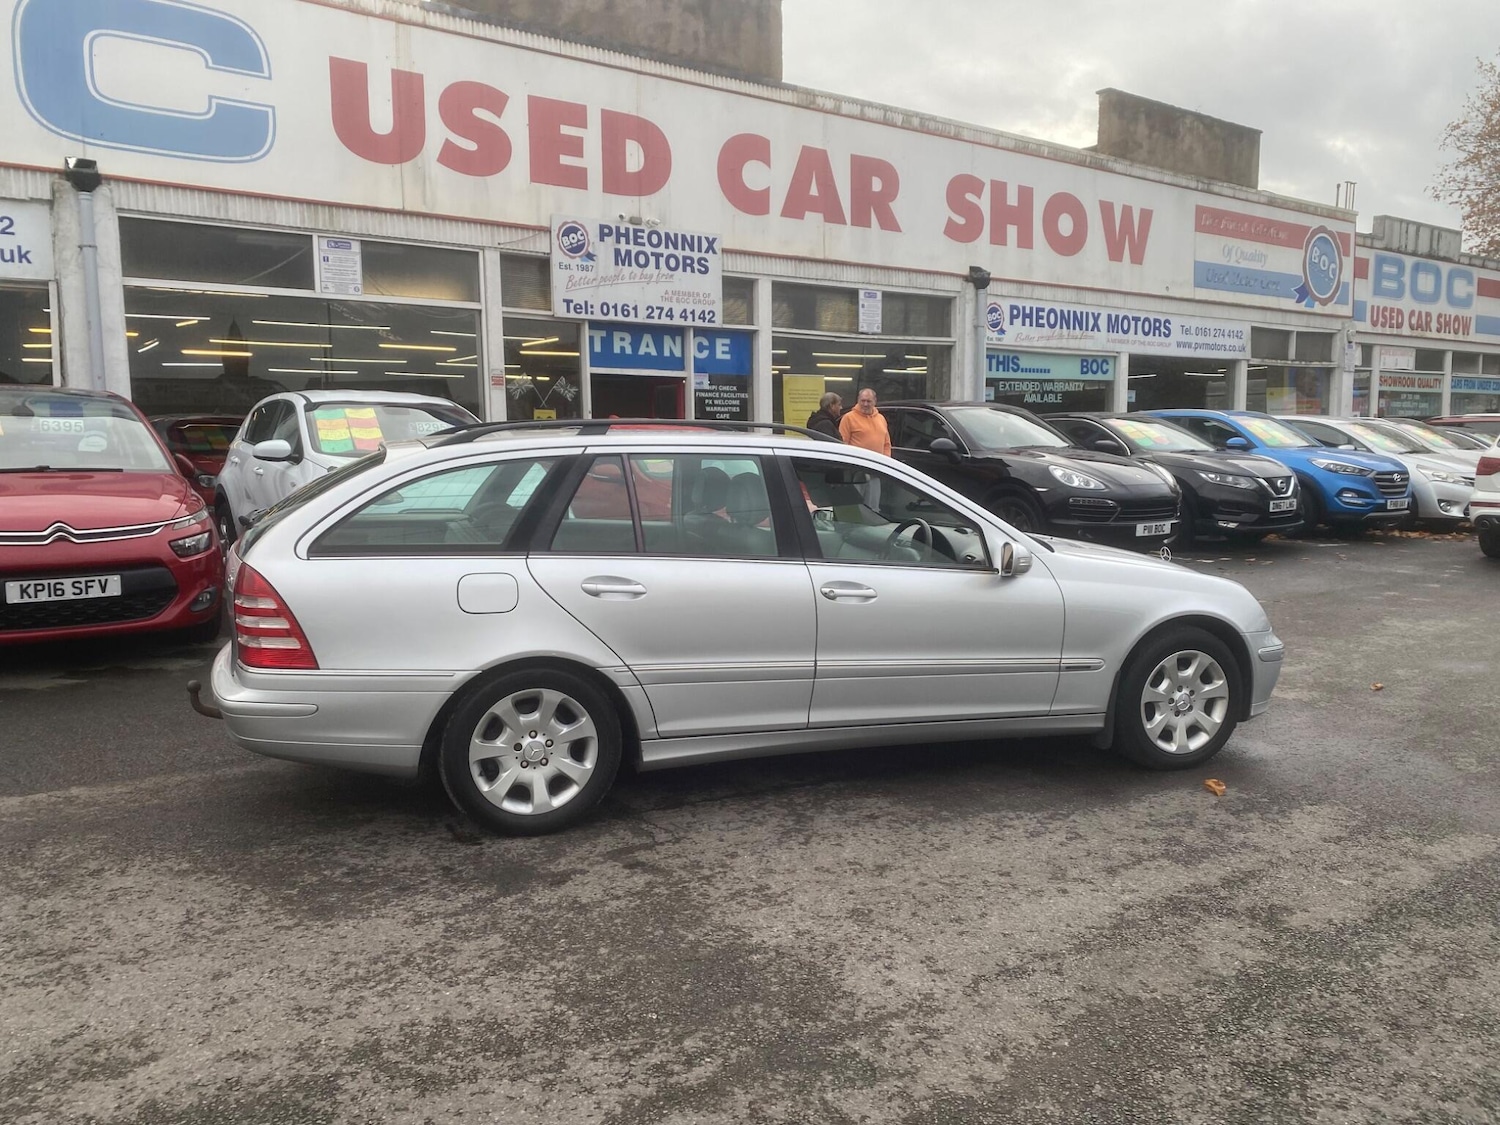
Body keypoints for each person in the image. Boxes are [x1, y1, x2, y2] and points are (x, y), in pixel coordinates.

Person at [838, 387, 891, 456]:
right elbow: (843, 444)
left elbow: (887, 444)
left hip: (877, 462)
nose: (865, 404)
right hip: (857, 461)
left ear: (875, 401)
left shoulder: (881, 418)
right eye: (863, 401)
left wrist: (886, 459)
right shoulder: (848, 418)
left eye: (868, 401)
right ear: (858, 400)